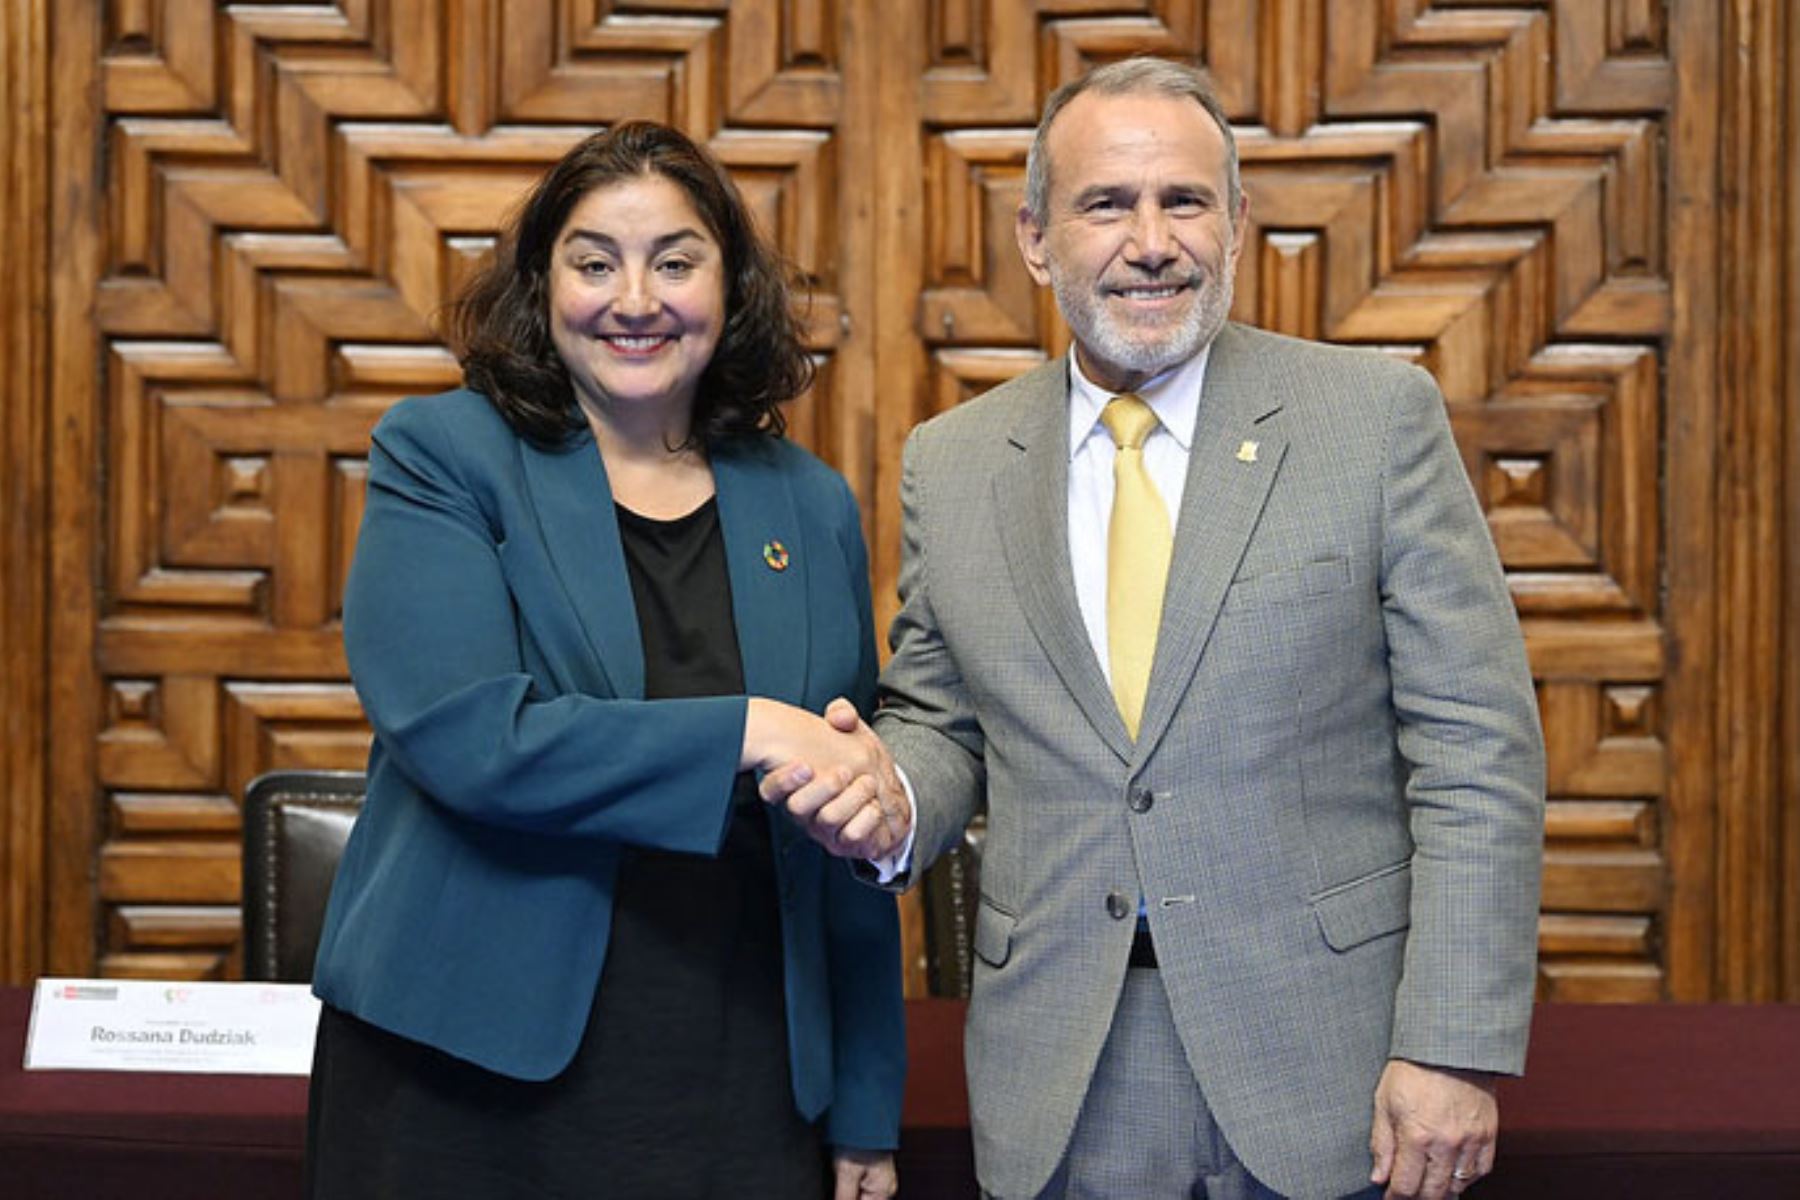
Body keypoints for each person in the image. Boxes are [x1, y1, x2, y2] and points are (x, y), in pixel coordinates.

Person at [764, 57, 1545, 1200]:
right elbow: (943, 724)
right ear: (1037, 239)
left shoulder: (1373, 421)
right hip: (1066, 1071)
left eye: (1183, 201)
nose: (1151, 240)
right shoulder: (957, 460)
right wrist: (881, 800)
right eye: (1106, 204)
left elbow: (1478, 748)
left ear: (1236, 223)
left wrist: (1450, 1043)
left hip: (1330, 1064)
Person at [306, 120, 905, 1200]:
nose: (636, 299)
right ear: (542, 286)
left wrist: (866, 1100)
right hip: (465, 1069)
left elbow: (842, 819)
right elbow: (473, 737)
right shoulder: (443, 455)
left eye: (676, 261)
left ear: (731, 287)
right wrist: (752, 727)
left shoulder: (808, 503)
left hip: (743, 1071)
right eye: (594, 261)